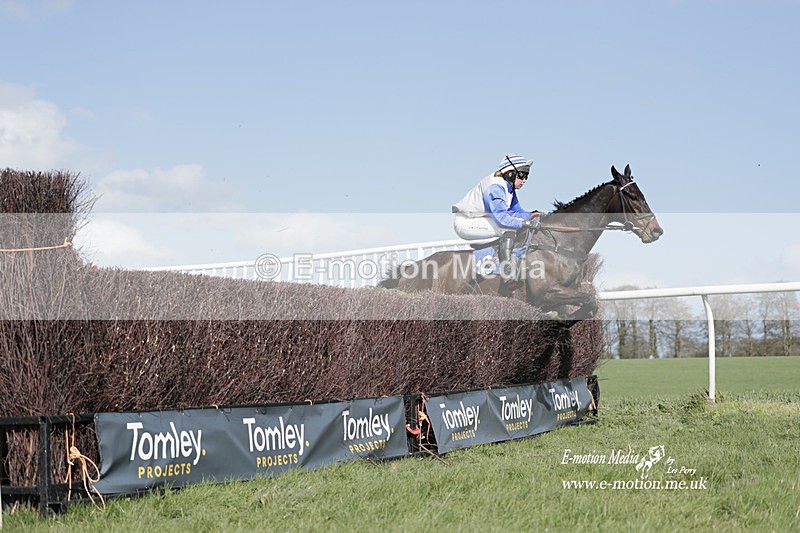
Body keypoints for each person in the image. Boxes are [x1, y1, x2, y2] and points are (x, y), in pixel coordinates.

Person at [452, 154, 541, 284]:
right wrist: (526, 222)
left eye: (527, 176)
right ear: (510, 173)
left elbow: (516, 212)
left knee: (516, 226)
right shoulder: (495, 187)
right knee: (508, 228)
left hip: (481, 219)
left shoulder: (509, 187)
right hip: (466, 222)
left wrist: (533, 215)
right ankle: (507, 273)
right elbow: (502, 219)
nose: (525, 180)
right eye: (522, 175)